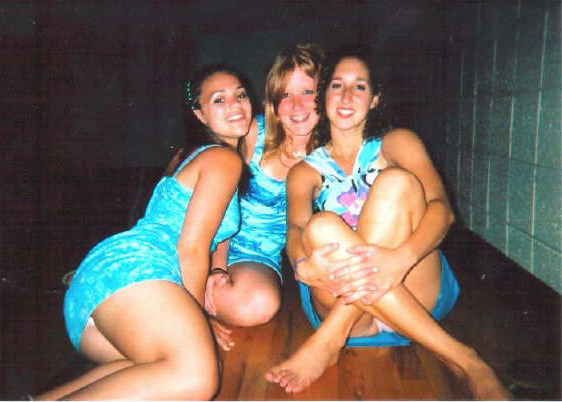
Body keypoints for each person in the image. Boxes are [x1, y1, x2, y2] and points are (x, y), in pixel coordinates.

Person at [265, 48, 510, 400]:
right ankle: (464, 358)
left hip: (411, 286)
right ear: (324, 95)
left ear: (375, 98)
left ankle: (330, 339)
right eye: (337, 85)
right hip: (348, 303)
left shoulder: (398, 142)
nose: (347, 96)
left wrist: (400, 258)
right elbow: (295, 230)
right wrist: (302, 265)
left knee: (396, 182)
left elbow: (442, 210)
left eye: (360, 87)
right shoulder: (304, 172)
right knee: (320, 227)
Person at [35, 64, 253, 400]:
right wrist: (199, 319)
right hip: (135, 273)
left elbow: (210, 236)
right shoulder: (223, 160)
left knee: (157, 370)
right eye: (219, 99)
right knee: (196, 376)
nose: (235, 105)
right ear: (199, 114)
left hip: (100, 291)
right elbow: (191, 249)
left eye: (240, 95)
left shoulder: (189, 155)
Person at [203, 43, 324, 350]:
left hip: (257, 257)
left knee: (259, 305)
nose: (296, 106)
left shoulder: (331, 155)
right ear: (273, 101)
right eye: (285, 94)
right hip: (210, 239)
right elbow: (221, 200)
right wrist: (216, 266)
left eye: (307, 92)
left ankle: (173, 305)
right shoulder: (254, 132)